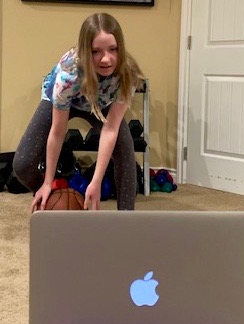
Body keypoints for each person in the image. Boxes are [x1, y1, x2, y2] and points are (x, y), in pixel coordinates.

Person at [13, 13, 145, 212]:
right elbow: (58, 133)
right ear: (85, 51)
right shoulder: (68, 75)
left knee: (125, 146)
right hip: (65, 99)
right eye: (96, 51)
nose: (106, 59)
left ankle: (126, 222)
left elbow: (110, 129)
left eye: (113, 49)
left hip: (101, 102)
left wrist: (96, 181)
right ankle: (49, 196)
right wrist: (48, 181)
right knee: (23, 164)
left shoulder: (129, 74)